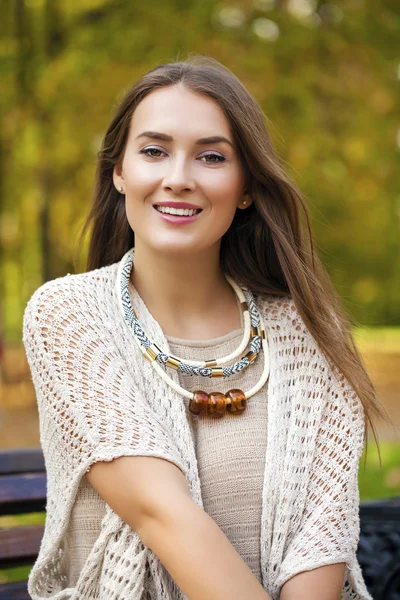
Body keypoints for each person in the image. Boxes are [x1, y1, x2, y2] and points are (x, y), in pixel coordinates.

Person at [22, 55, 387, 600]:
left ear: (246, 187)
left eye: (212, 157)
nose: (178, 178)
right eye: (153, 151)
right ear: (119, 172)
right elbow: (161, 513)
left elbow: (321, 542)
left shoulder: (312, 328)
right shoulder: (70, 315)